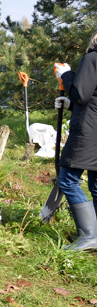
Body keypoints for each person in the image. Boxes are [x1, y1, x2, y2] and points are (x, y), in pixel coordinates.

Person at [53, 27, 97, 251]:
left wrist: (66, 75)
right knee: (96, 184)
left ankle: (89, 236)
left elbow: (81, 94)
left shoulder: (92, 58)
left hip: (89, 132)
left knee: (68, 179)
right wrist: (70, 105)